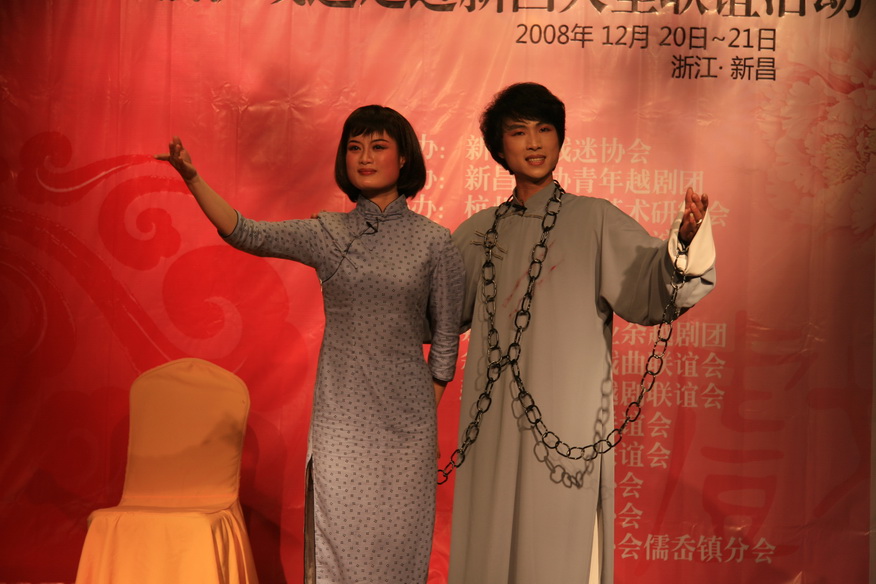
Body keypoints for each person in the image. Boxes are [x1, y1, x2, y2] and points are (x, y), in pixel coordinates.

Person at [157, 105, 465, 584]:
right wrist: (194, 180)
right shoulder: (328, 233)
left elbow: (446, 333)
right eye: (355, 148)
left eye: (378, 146)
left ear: (404, 157)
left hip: (409, 423)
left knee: (400, 543)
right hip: (341, 418)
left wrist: (428, 402)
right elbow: (247, 232)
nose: (364, 157)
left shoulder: (434, 242)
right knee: (339, 538)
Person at [446, 82, 717, 583]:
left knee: (561, 550)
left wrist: (682, 241)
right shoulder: (477, 232)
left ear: (560, 138)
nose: (534, 142)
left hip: (564, 424)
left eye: (545, 129)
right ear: (499, 146)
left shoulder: (594, 220)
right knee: (488, 539)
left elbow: (649, 276)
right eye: (518, 132)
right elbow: (435, 310)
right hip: (491, 423)